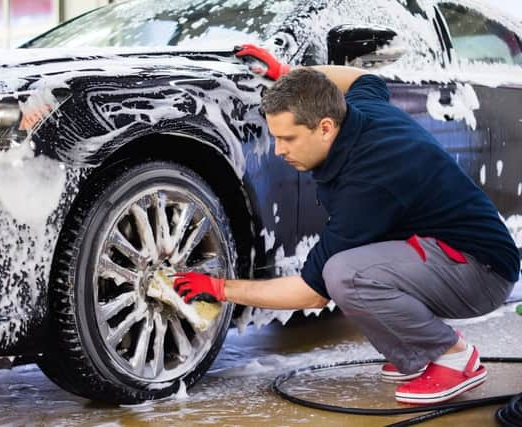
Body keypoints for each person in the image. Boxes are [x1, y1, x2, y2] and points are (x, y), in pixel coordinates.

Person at [172, 44, 519, 405]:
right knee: (348, 269)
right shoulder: (358, 111)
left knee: (344, 274)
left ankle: (455, 357)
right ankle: (415, 357)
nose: (278, 150)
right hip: (449, 251)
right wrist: (289, 73)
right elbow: (365, 78)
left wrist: (220, 288)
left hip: (481, 273)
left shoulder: (367, 184)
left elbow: (312, 291)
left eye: (288, 138)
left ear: (324, 127)